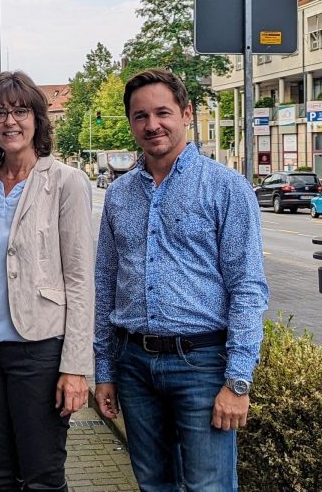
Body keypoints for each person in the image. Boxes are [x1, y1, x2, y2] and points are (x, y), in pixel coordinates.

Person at [94, 68, 269, 491]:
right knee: (153, 484)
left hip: (203, 366)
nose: (152, 125)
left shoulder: (226, 187)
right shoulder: (119, 195)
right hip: (134, 365)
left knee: (208, 486)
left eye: (162, 112)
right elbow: (105, 283)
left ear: (186, 113)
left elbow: (247, 286)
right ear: (131, 122)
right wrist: (105, 369)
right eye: (140, 116)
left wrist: (238, 381)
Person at [0, 70, 95, 492]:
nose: (10, 121)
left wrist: (77, 367)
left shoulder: (66, 182)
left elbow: (81, 280)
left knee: (43, 476)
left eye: (20, 110)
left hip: (39, 352)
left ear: (37, 119)